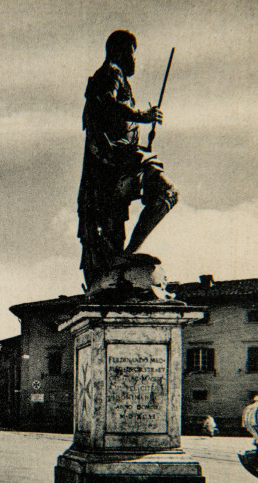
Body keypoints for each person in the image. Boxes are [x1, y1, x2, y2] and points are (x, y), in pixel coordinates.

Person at [77, 30, 178, 289]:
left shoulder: (115, 77)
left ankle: (126, 255)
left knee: (112, 240)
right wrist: (142, 115)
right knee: (167, 193)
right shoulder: (110, 72)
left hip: (116, 164)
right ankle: (127, 253)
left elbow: (114, 122)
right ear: (120, 51)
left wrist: (139, 138)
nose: (135, 59)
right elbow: (107, 105)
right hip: (112, 166)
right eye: (133, 52)